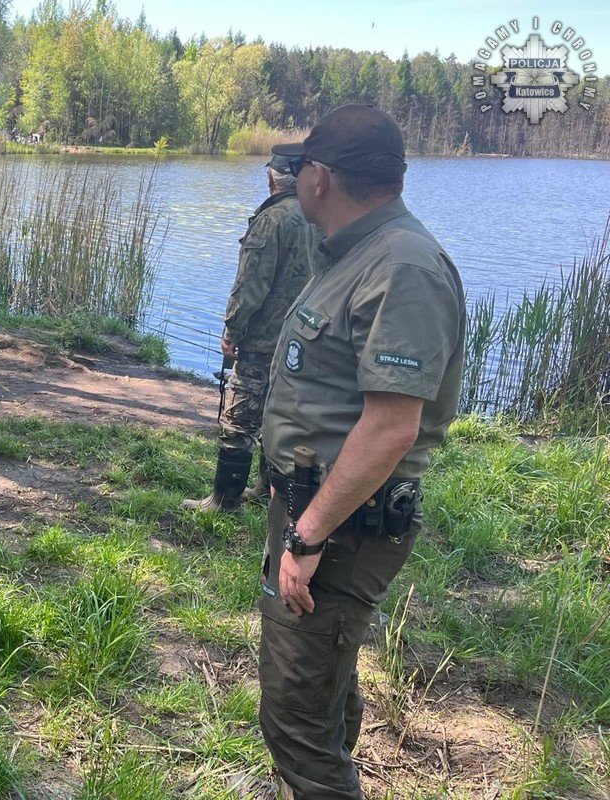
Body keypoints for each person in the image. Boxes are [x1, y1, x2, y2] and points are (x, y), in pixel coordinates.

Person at [257, 104, 465, 799]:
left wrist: (309, 534)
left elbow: (390, 427)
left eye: (302, 166)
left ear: (320, 177)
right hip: (314, 511)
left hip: (343, 525)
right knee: (319, 695)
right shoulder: (351, 251)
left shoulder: (404, 267)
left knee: (293, 719)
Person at [182, 153, 317, 512]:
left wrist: (232, 330)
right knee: (281, 416)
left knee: (240, 419)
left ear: (273, 180)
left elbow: (250, 286)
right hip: (306, 341)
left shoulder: (271, 220)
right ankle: (264, 489)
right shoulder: (321, 218)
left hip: (263, 339)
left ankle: (224, 500)